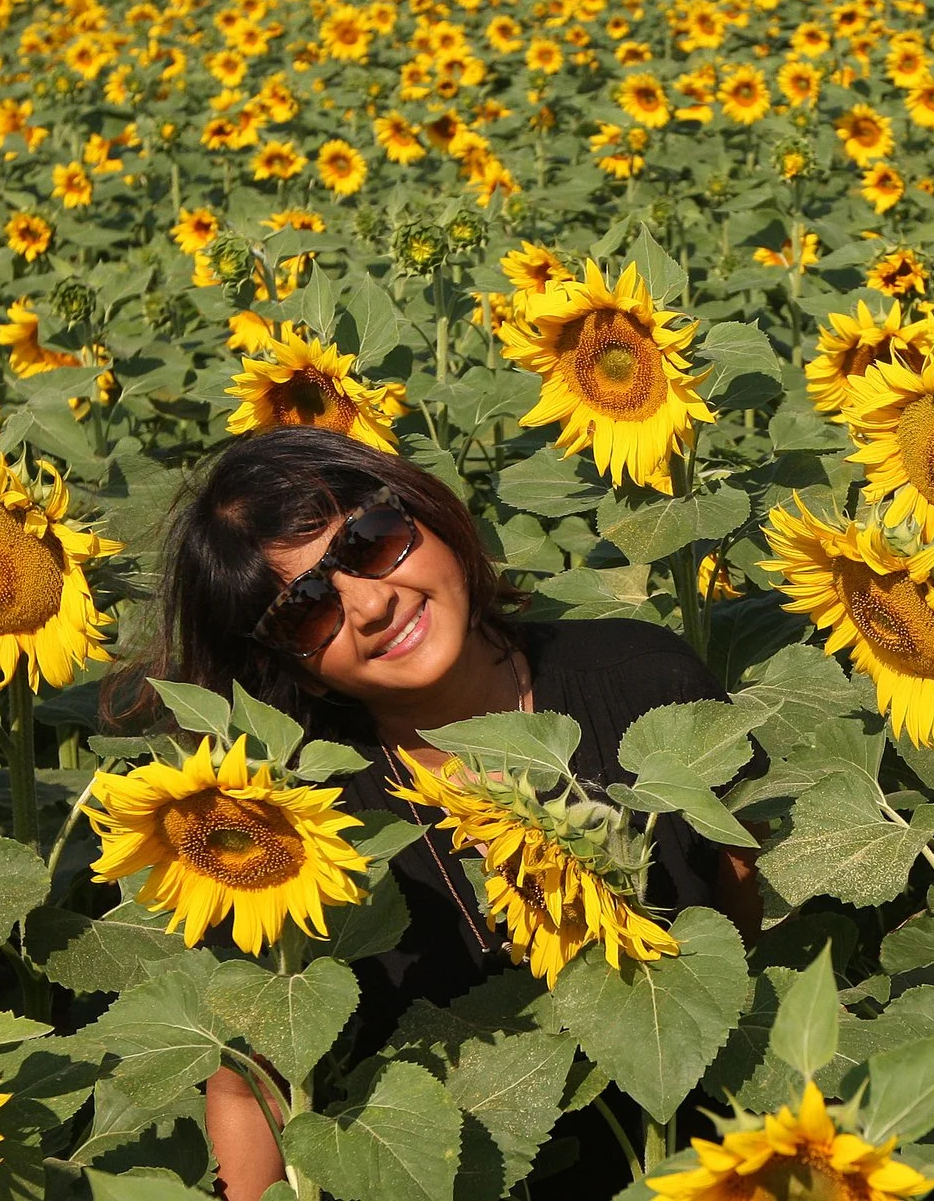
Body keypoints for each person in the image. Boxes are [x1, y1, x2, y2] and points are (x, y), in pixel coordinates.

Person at [99, 426, 758, 1200]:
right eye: (306, 612)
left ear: (428, 517)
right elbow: (253, 1081)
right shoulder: (292, 825)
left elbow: (741, 913)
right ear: (295, 675)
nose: (372, 604)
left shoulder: (645, 680)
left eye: (373, 543)